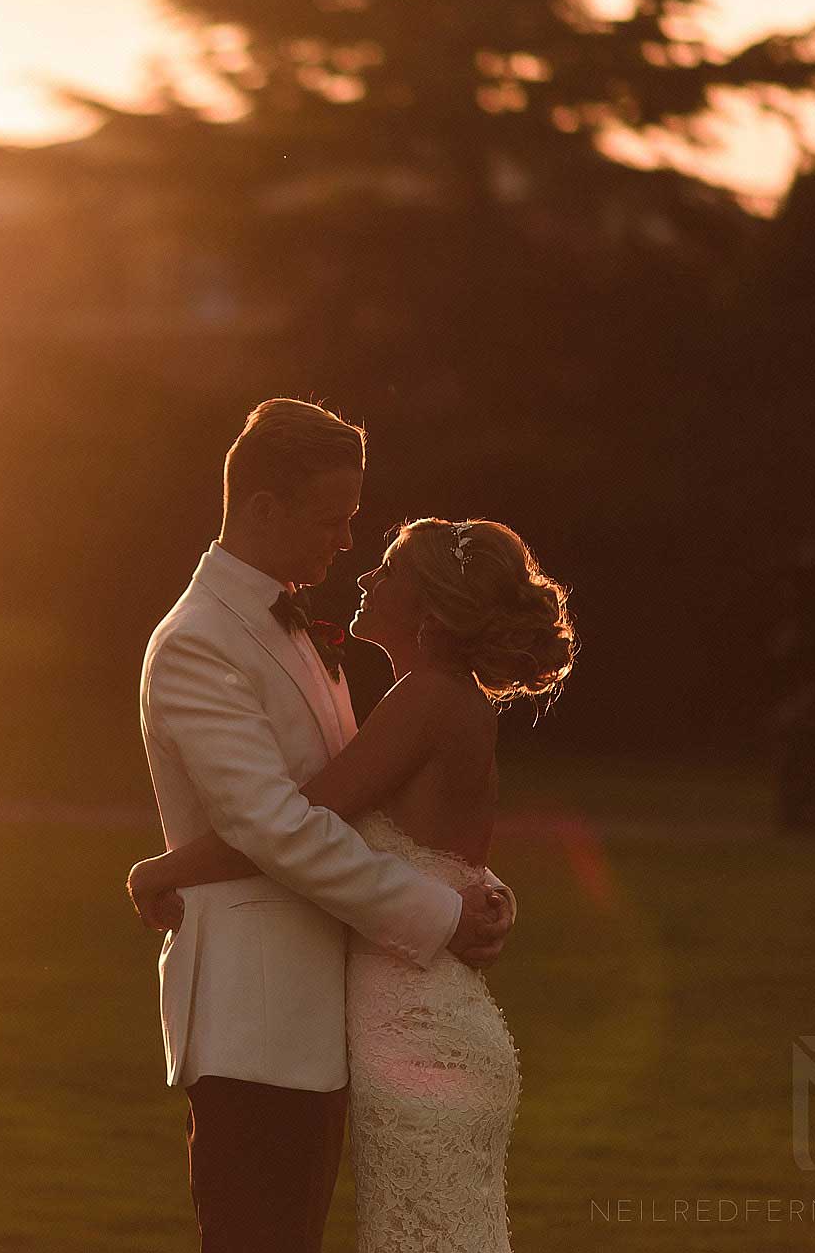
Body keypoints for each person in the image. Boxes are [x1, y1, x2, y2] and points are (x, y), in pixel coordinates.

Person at [131, 482, 576, 1253]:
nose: (362, 572)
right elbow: (432, 839)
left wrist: (166, 867)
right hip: (410, 1017)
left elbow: (287, 822)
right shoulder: (442, 699)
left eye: (389, 570)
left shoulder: (426, 699)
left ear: (430, 614)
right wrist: (484, 892)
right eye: (339, 525)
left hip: (415, 1023)